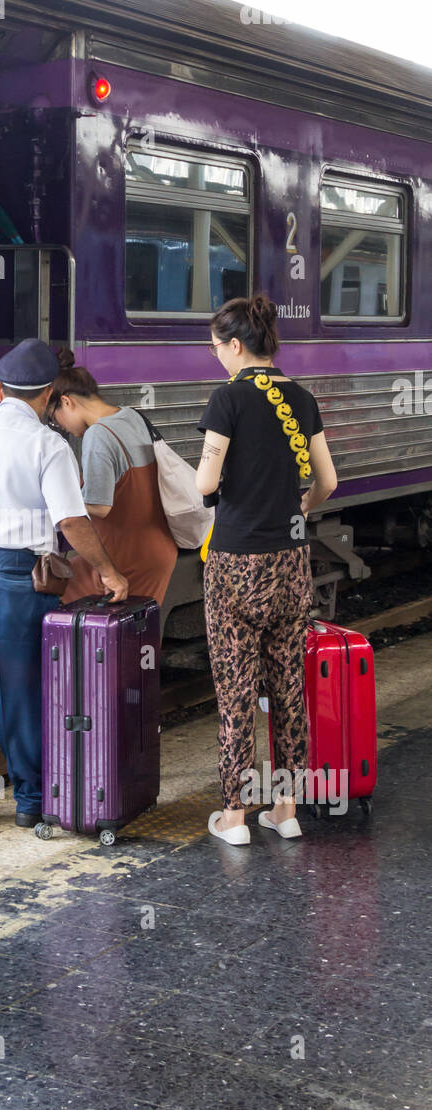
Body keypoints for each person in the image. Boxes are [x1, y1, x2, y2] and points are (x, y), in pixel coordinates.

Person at [0, 337, 129, 829]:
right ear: (48, 394)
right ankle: (32, 799)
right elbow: (73, 521)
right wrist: (108, 571)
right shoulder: (47, 444)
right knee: (23, 686)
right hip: (19, 575)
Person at [196, 295, 338, 846]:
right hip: (290, 561)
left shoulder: (227, 400)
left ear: (235, 345)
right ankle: (286, 809)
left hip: (235, 564)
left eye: (216, 347)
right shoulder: (301, 398)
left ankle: (233, 816)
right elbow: (327, 482)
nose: (216, 358)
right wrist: (297, 509)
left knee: (235, 691)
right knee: (287, 686)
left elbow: (207, 484)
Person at [46, 349, 177, 606]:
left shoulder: (98, 435)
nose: (61, 427)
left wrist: (56, 500)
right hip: (155, 548)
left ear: (67, 402)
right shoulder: (129, 415)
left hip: (126, 559)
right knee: (132, 638)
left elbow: (101, 507)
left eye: (55, 419)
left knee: (52, 603)